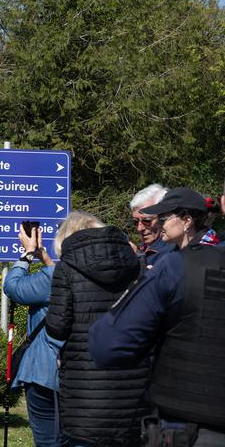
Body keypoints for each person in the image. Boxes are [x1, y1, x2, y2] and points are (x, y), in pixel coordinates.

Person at [89, 188, 225, 445]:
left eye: (163, 218)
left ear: (186, 220)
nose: (158, 225)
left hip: (189, 425)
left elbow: (108, 344)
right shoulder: (184, 260)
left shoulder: (174, 267)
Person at [45, 211, 149, 447]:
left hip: (85, 390)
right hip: (132, 390)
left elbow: (57, 327)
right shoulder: (137, 264)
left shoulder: (67, 268)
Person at [3, 224, 67, 447]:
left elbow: (13, 287)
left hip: (45, 371)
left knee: (49, 440)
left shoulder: (54, 279)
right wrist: (45, 258)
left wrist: (28, 254)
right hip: (84, 373)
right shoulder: (92, 273)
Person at [130, 184, 176, 265]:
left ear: (164, 217)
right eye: (135, 221)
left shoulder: (172, 251)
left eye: (146, 221)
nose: (139, 228)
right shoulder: (146, 246)